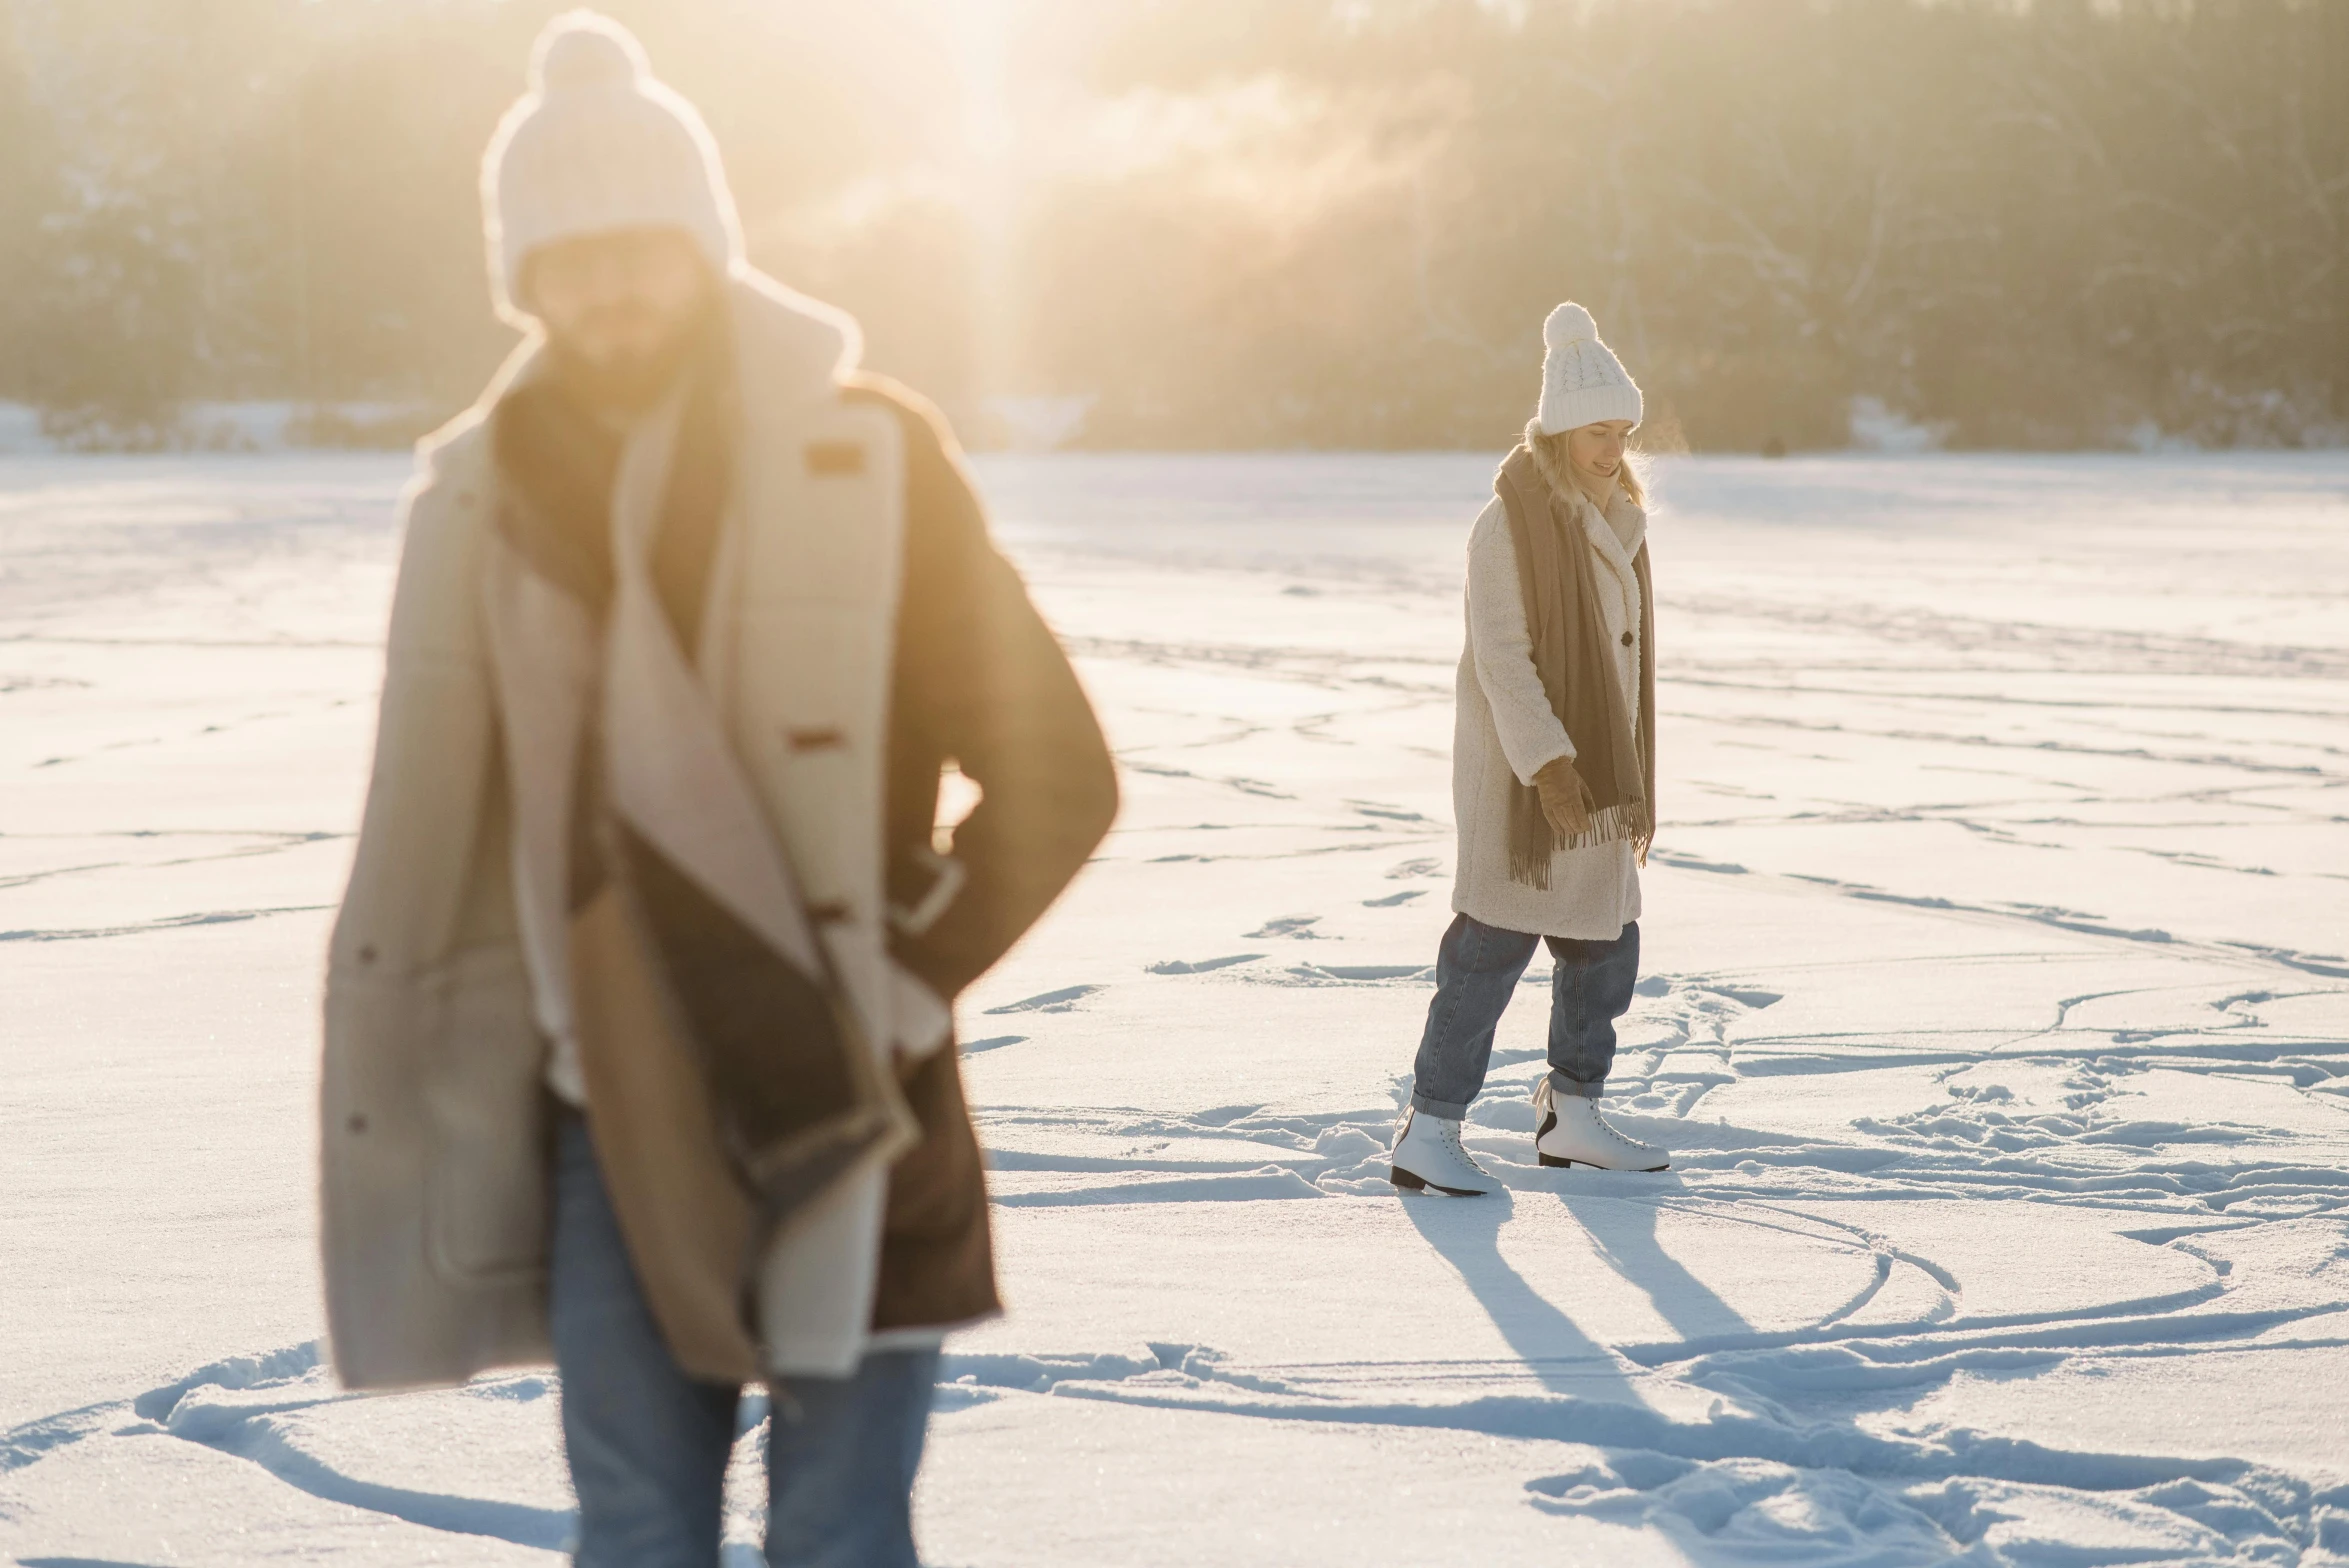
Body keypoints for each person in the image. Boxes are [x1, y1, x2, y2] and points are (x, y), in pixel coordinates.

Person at [315, 13, 1117, 1565]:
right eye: (565, 255)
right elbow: (438, 840)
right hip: (595, 1105)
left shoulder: (868, 456)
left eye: (638, 241)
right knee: (637, 1527)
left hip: (853, 1082)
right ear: (522, 280)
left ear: (705, 240)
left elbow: (1054, 771)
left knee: (837, 1529)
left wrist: (901, 972)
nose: (606, 283)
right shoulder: (475, 501)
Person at [1387, 301, 1666, 1196]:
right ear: (1555, 430)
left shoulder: (1616, 517)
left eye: (1621, 428)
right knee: (1488, 950)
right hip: (1527, 775)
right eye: (1595, 429)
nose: (1611, 446)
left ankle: (1572, 1114)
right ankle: (1429, 1129)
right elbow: (1503, 659)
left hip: (1600, 773)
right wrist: (1549, 764)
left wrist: (1603, 767)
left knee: (1604, 946)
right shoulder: (1506, 526)